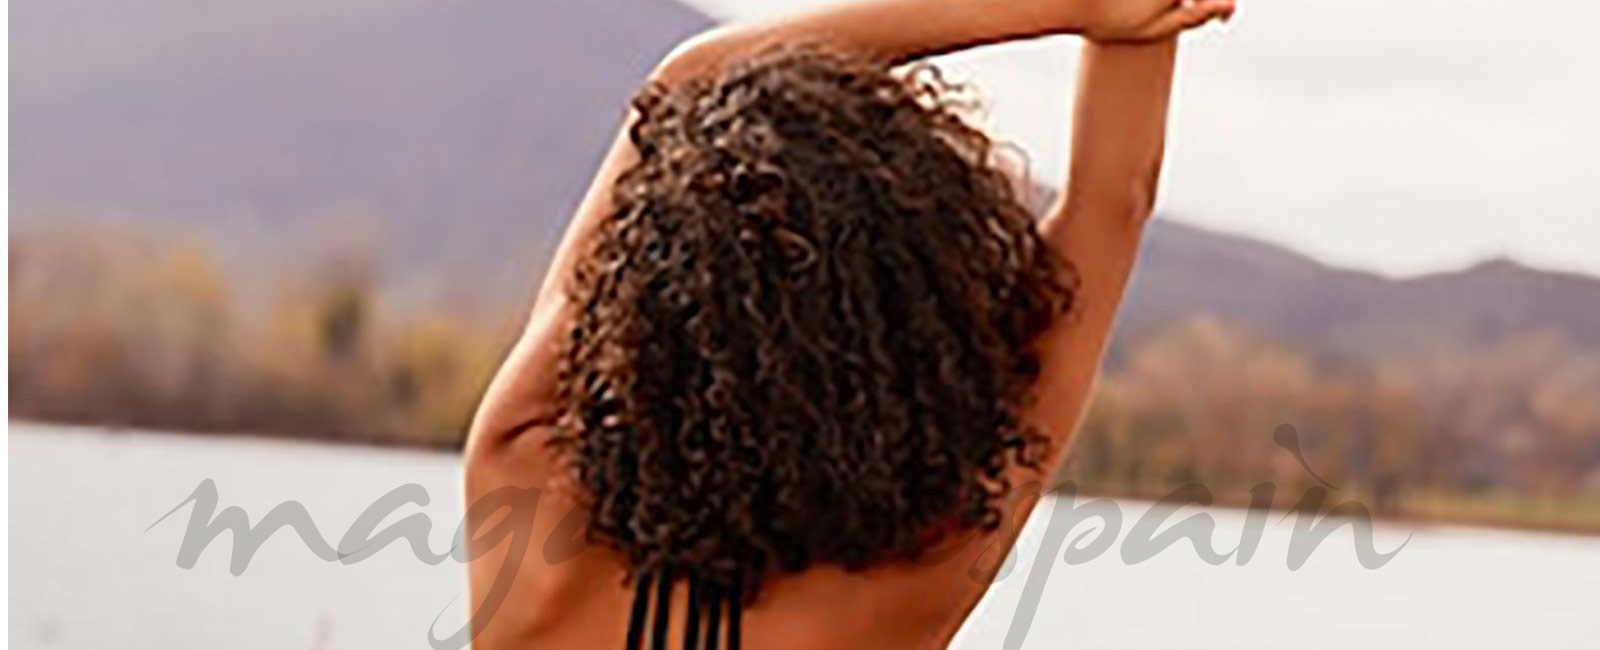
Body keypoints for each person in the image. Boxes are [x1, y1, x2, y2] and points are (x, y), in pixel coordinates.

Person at [462, 0, 1234, 647]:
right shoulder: (909, 581)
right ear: (922, 346)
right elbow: (1111, 198)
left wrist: (1060, 6)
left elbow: (685, 83)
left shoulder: (522, 482)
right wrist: (1127, 16)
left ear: (644, 309)